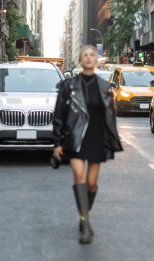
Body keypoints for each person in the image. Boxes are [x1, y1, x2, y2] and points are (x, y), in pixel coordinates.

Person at [53, 45, 123, 244]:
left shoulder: (104, 86)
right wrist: (57, 141)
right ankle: (84, 222)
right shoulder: (68, 86)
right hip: (74, 137)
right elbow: (59, 114)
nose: (89, 58)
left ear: (96, 58)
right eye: (85, 55)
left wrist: (112, 138)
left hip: (96, 137)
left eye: (92, 54)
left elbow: (110, 115)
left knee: (92, 184)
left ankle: (84, 213)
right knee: (79, 176)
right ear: (80, 59)